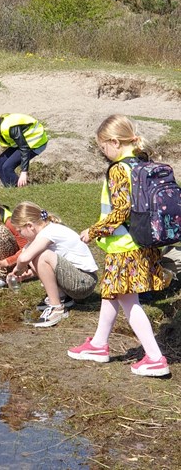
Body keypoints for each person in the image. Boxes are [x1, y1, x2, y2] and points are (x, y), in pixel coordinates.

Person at [67, 114, 171, 377]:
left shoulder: (118, 169)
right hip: (142, 242)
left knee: (128, 300)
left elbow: (121, 210)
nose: (103, 153)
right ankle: (99, 345)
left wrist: (93, 231)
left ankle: (155, 358)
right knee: (111, 292)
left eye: (103, 147)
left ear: (114, 142)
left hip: (123, 245)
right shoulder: (141, 162)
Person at [10, 201, 99, 328]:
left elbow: (24, 258)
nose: (20, 235)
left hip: (85, 281)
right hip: (75, 280)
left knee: (42, 255)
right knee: (31, 250)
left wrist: (18, 269)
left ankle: (57, 308)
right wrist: (28, 274)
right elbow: (38, 263)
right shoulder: (45, 233)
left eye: (20, 231)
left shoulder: (49, 232)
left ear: (30, 226)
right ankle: (63, 297)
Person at [0, 112, 48, 187]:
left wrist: (24, 172)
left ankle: (21, 190)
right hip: (22, 142)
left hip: (36, 143)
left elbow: (24, 148)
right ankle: (9, 188)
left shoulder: (9, 127)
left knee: (7, 167)